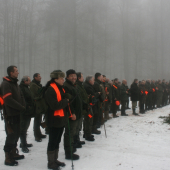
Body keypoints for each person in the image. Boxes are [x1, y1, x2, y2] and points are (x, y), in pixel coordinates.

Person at [45, 70, 74, 170]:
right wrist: (65, 101)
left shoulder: (60, 88)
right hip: (54, 119)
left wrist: (66, 98)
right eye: (61, 78)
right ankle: (50, 162)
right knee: (52, 141)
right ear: (55, 79)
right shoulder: (50, 90)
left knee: (57, 140)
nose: (63, 80)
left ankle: (55, 159)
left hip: (61, 119)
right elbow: (54, 105)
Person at [1, 66, 25, 166]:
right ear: (11, 73)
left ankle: (14, 153)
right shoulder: (6, 84)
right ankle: (8, 157)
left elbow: (21, 96)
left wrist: (23, 105)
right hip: (10, 114)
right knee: (11, 135)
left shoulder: (14, 83)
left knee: (16, 134)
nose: (18, 73)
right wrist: (21, 107)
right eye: (16, 71)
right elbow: (8, 100)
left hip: (17, 113)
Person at [63, 69, 82, 160]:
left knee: (73, 132)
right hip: (71, 114)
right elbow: (68, 103)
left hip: (77, 113)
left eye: (74, 76)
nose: (74, 77)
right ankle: (68, 152)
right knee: (69, 133)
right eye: (71, 76)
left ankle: (72, 147)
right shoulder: (66, 86)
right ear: (67, 77)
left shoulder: (74, 86)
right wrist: (72, 113)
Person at [19, 76, 34, 153]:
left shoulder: (26, 87)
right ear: (25, 81)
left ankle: (24, 143)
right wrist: (27, 106)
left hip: (28, 111)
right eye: (29, 80)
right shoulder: (21, 88)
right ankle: (23, 145)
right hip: (24, 112)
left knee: (25, 128)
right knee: (23, 129)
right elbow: (22, 99)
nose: (30, 82)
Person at [30, 73, 46, 142]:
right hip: (36, 105)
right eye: (39, 76)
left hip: (39, 105)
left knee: (39, 120)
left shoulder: (37, 84)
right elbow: (36, 95)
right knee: (37, 121)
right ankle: (37, 136)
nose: (40, 77)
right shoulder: (33, 85)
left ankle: (39, 134)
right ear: (35, 77)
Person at [83, 75, 99, 141]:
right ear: (90, 81)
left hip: (89, 105)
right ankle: (87, 134)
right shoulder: (87, 87)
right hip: (88, 106)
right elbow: (92, 94)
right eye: (93, 80)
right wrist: (97, 94)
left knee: (88, 120)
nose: (94, 82)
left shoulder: (88, 85)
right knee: (89, 119)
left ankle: (87, 133)